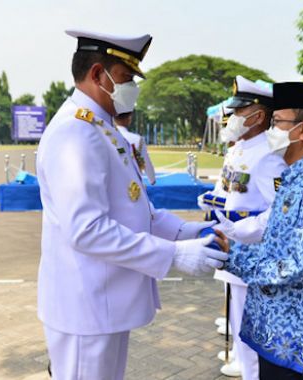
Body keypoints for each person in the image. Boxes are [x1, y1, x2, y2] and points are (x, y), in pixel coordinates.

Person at [36, 29, 228, 380]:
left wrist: (187, 231)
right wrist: (175, 256)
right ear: (98, 75)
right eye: (126, 78)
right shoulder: (74, 132)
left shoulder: (102, 128)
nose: (132, 89)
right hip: (86, 305)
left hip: (103, 302)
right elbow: (88, 231)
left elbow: (133, 207)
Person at [223, 82, 303, 380]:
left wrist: (235, 256)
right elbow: (277, 244)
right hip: (276, 332)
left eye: (277, 122)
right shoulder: (295, 176)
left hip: (297, 340)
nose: (272, 130)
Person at [198, 76, 287, 379]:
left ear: (258, 116)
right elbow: (230, 190)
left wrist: (241, 230)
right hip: (232, 250)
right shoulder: (239, 149)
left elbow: (279, 214)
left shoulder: (268, 154)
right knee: (240, 329)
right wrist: (211, 200)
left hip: (252, 254)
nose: (233, 117)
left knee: (251, 336)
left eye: (239, 111)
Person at [114, 112, 156, 185]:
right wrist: (152, 179)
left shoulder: (107, 135)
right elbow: (145, 161)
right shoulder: (137, 139)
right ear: (129, 118)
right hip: (134, 183)